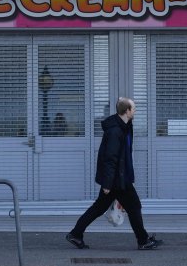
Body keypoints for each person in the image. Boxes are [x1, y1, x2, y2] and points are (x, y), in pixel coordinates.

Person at [66, 97, 162, 250]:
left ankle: (75, 234)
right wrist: (107, 184)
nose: (135, 111)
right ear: (127, 111)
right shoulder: (115, 131)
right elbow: (110, 158)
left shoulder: (124, 126)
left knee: (99, 207)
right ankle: (143, 241)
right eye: (134, 108)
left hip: (120, 177)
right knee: (134, 207)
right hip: (117, 180)